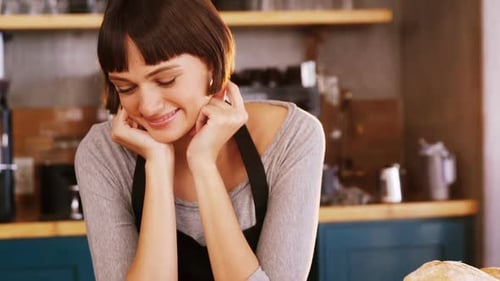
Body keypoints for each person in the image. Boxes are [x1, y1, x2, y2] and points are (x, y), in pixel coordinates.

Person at [74, 0, 325, 280]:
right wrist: (157, 164)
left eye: (166, 80)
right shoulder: (103, 153)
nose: (148, 106)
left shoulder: (293, 137)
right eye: (126, 87)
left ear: (212, 65)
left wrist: (203, 164)